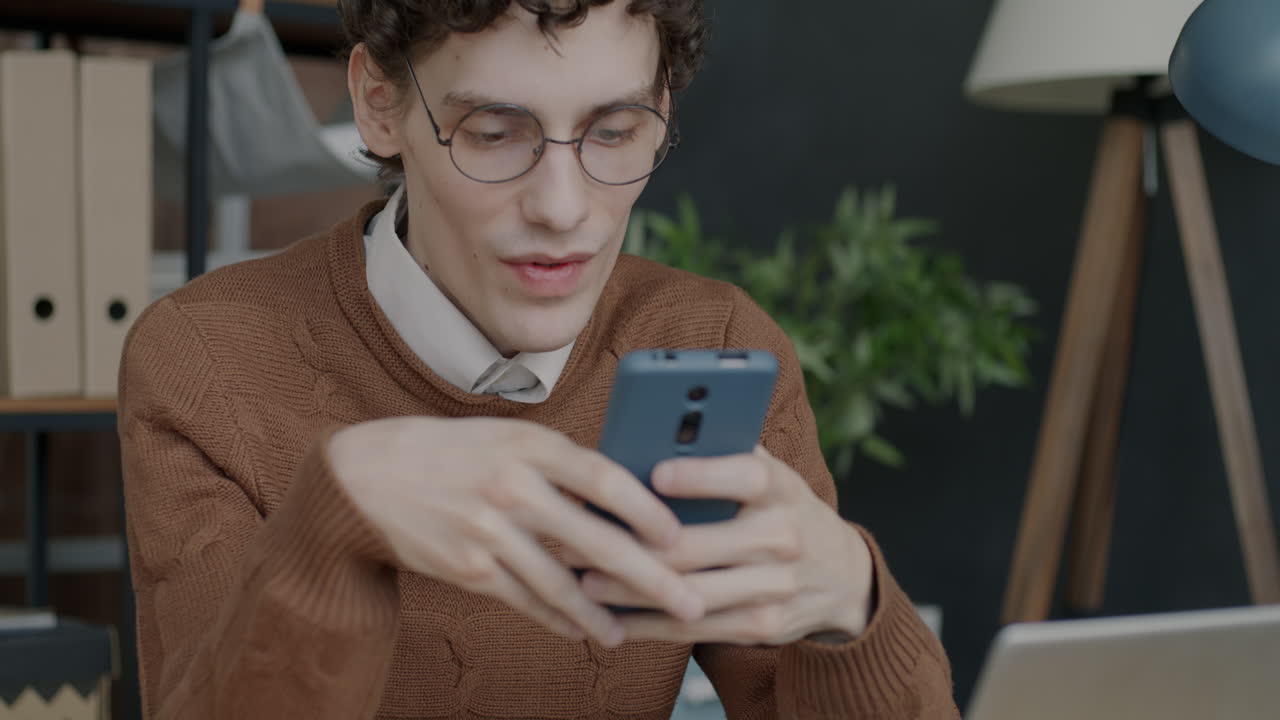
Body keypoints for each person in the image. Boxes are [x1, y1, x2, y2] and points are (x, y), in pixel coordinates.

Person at [118, 1, 959, 718]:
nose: (563, 209)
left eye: (616, 131)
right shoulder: (206, 361)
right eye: (492, 133)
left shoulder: (715, 340)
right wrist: (332, 530)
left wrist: (851, 604)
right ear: (379, 103)